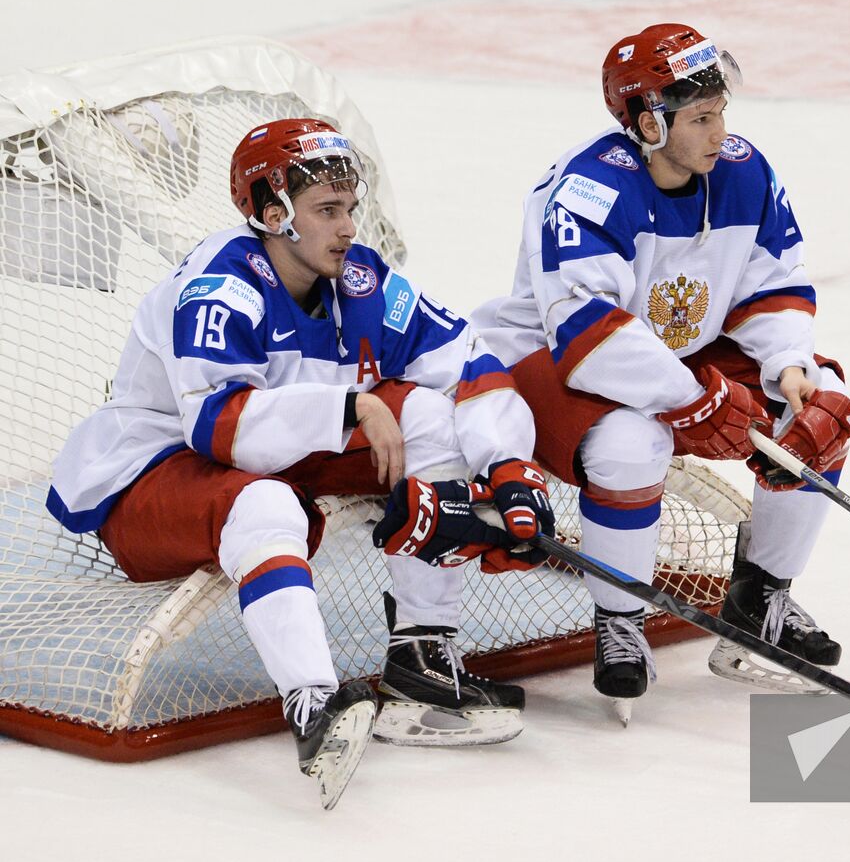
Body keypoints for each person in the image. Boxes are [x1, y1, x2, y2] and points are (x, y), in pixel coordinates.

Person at [47, 119, 554, 808]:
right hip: (153, 476)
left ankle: (421, 659)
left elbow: (471, 363)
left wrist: (509, 470)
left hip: (276, 455)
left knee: (431, 421)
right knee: (267, 503)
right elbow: (219, 428)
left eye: (350, 207)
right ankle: (313, 705)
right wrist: (350, 406)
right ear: (271, 212)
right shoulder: (219, 288)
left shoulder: (360, 279)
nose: (348, 228)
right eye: (327, 210)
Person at [471, 23, 850, 722]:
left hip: (677, 351)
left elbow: (772, 284)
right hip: (554, 358)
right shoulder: (590, 189)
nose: (720, 133)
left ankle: (760, 598)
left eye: (721, 113)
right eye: (701, 118)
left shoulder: (743, 171)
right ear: (649, 124)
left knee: (820, 409)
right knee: (631, 444)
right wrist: (692, 399)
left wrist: (787, 364)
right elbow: (588, 330)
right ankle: (620, 619)